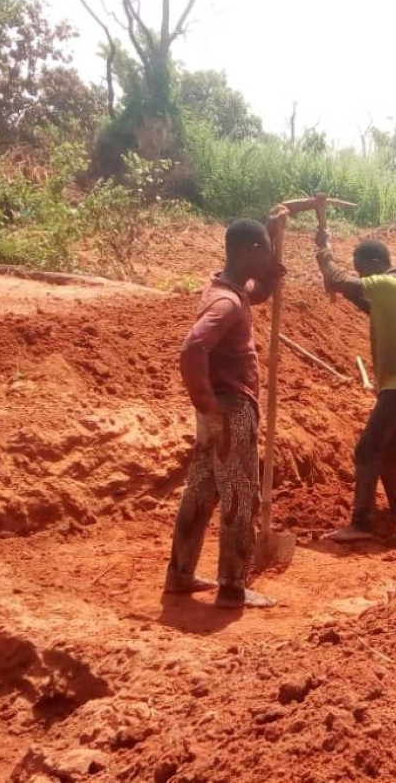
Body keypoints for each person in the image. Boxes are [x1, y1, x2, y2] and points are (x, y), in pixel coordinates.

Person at [165, 218, 285, 609]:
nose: (267, 255)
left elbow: (257, 290)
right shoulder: (227, 303)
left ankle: (180, 575)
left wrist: (272, 270)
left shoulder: (228, 288)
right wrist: (206, 399)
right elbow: (193, 348)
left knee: (202, 489)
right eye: (264, 249)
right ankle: (233, 586)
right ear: (250, 250)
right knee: (238, 495)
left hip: (218, 410)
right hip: (230, 409)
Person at [314, 230, 396, 543]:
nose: (361, 276)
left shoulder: (389, 284)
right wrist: (342, 285)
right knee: (390, 450)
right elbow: (365, 303)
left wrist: (324, 249)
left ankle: (361, 524)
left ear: (377, 263)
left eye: (363, 270)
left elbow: (337, 278)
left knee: (367, 450)